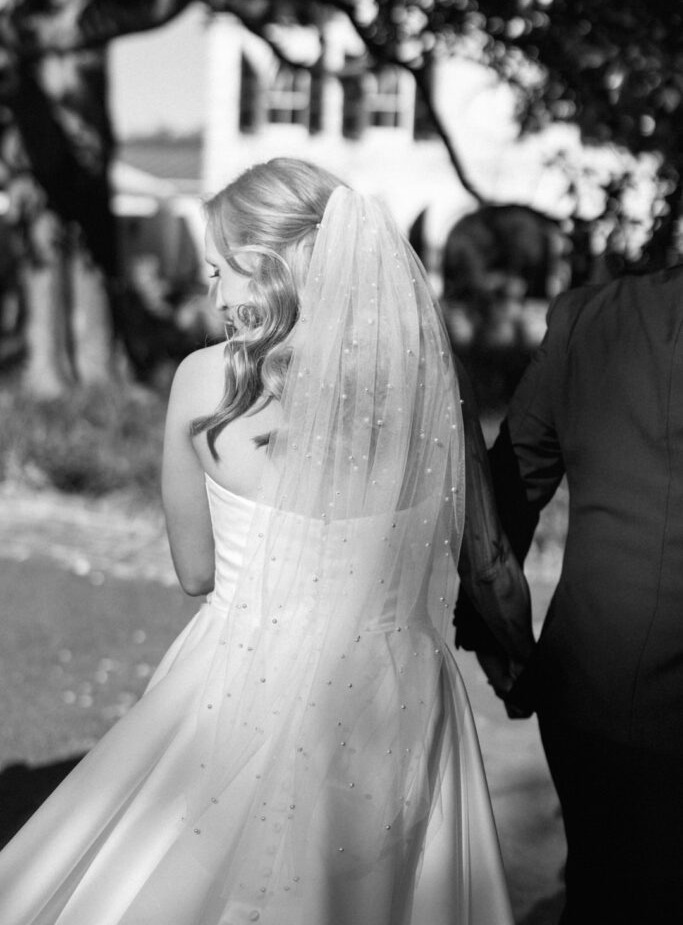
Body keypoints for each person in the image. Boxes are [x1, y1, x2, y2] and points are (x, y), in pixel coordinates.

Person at [0, 158, 533, 925]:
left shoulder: (201, 382)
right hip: (398, 686)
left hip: (241, 675)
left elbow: (194, 572)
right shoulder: (430, 387)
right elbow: (474, 543)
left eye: (219, 271)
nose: (211, 294)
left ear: (266, 264)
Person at [485, 266, 683, 923]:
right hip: (608, 693)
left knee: (602, 889)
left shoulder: (590, 318)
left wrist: (497, 636)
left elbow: (507, 490)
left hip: (594, 680)